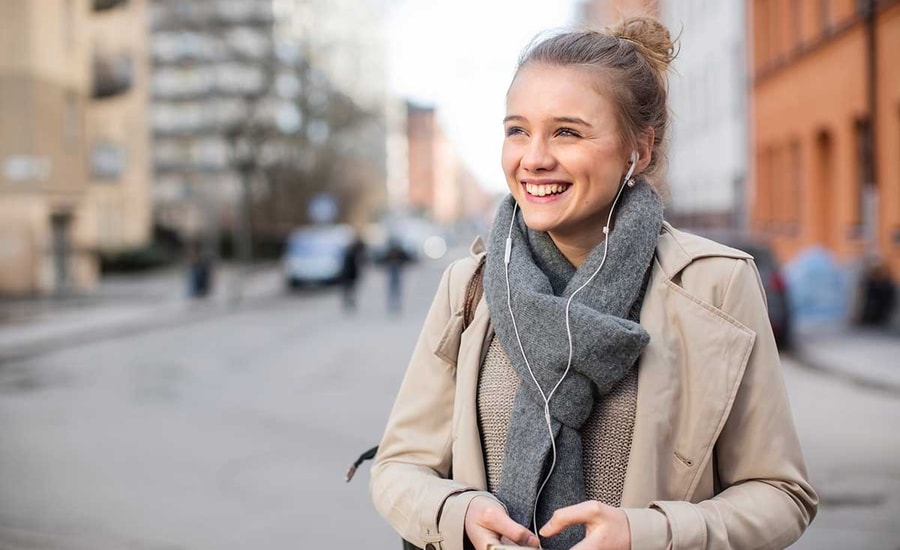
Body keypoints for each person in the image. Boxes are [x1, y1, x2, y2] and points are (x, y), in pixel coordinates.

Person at [370, 17, 817, 550]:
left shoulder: (713, 284)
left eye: (567, 132)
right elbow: (399, 467)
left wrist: (645, 534)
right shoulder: (469, 286)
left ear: (640, 150)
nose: (534, 158)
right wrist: (458, 513)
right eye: (517, 130)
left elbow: (781, 495)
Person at [383, 237, 412, 313]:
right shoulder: (391, 251)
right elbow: (384, 260)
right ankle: (392, 305)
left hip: (397, 270)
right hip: (392, 270)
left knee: (397, 289)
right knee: (392, 289)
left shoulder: (399, 251)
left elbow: (406, 258)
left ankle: (397, 305)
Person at [340, 235, 366, 312]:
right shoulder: (350, 255)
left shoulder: (352, 254)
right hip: (348, 275)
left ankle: (349, 302)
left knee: (349, 290)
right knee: (349, 290)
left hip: (350, 275)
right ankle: (349, 302)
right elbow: (350, 266)